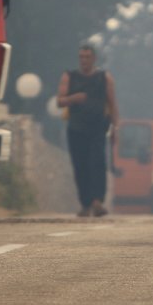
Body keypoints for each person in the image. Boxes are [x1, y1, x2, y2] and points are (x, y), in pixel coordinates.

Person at [57, 45, 119, 217]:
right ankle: (85, 204)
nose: (84, 60)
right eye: (81, 57)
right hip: (76, 129)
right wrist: (74, 98)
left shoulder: (104, 77)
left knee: (98, 163)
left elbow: (112, 103)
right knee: (80, 166)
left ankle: (98, 202)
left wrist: (116, 127)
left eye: (87, 57)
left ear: (94, 59)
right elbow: (59, 101)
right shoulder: (69, 76)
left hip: (99, 127)